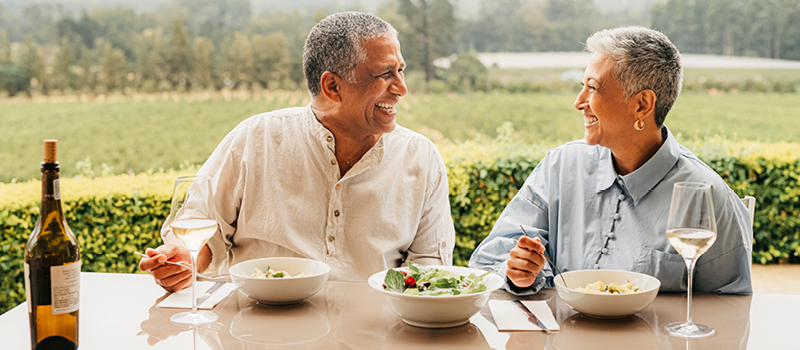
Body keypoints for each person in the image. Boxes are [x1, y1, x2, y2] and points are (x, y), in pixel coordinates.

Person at [139, 12, 456, 292]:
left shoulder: (422, 158)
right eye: (385, 74)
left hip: (377, 335)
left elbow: (430, 271)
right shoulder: (256, 137)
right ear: (332, 87)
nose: (401, 87)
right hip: (254, 331)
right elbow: (203, 223)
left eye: (401, 70)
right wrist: (183, 257)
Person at [469, 26, 752, 295]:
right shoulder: (561, 166)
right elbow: (492, 254)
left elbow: (731, 305)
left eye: (592, 88)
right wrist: (517, 272)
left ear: (642, 105)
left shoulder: (709, 197)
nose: (579, 102)